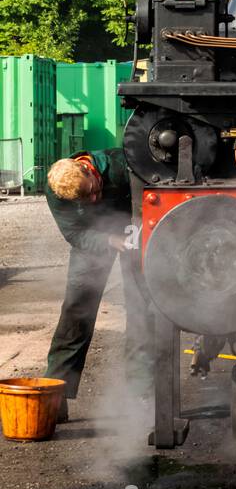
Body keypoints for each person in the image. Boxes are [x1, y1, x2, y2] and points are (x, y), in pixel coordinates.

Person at [44, 149, 153, 421]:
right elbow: (74, 232)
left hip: (135, 234)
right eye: (86, 199)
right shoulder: (57, 191)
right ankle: (56, 394)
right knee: (75, 313)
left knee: (141, 309)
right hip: (93, 241)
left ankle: (139, 392)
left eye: (93, 190)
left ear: (87, 169)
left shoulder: (123, 162)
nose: (94, 198)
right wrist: (107, 240)